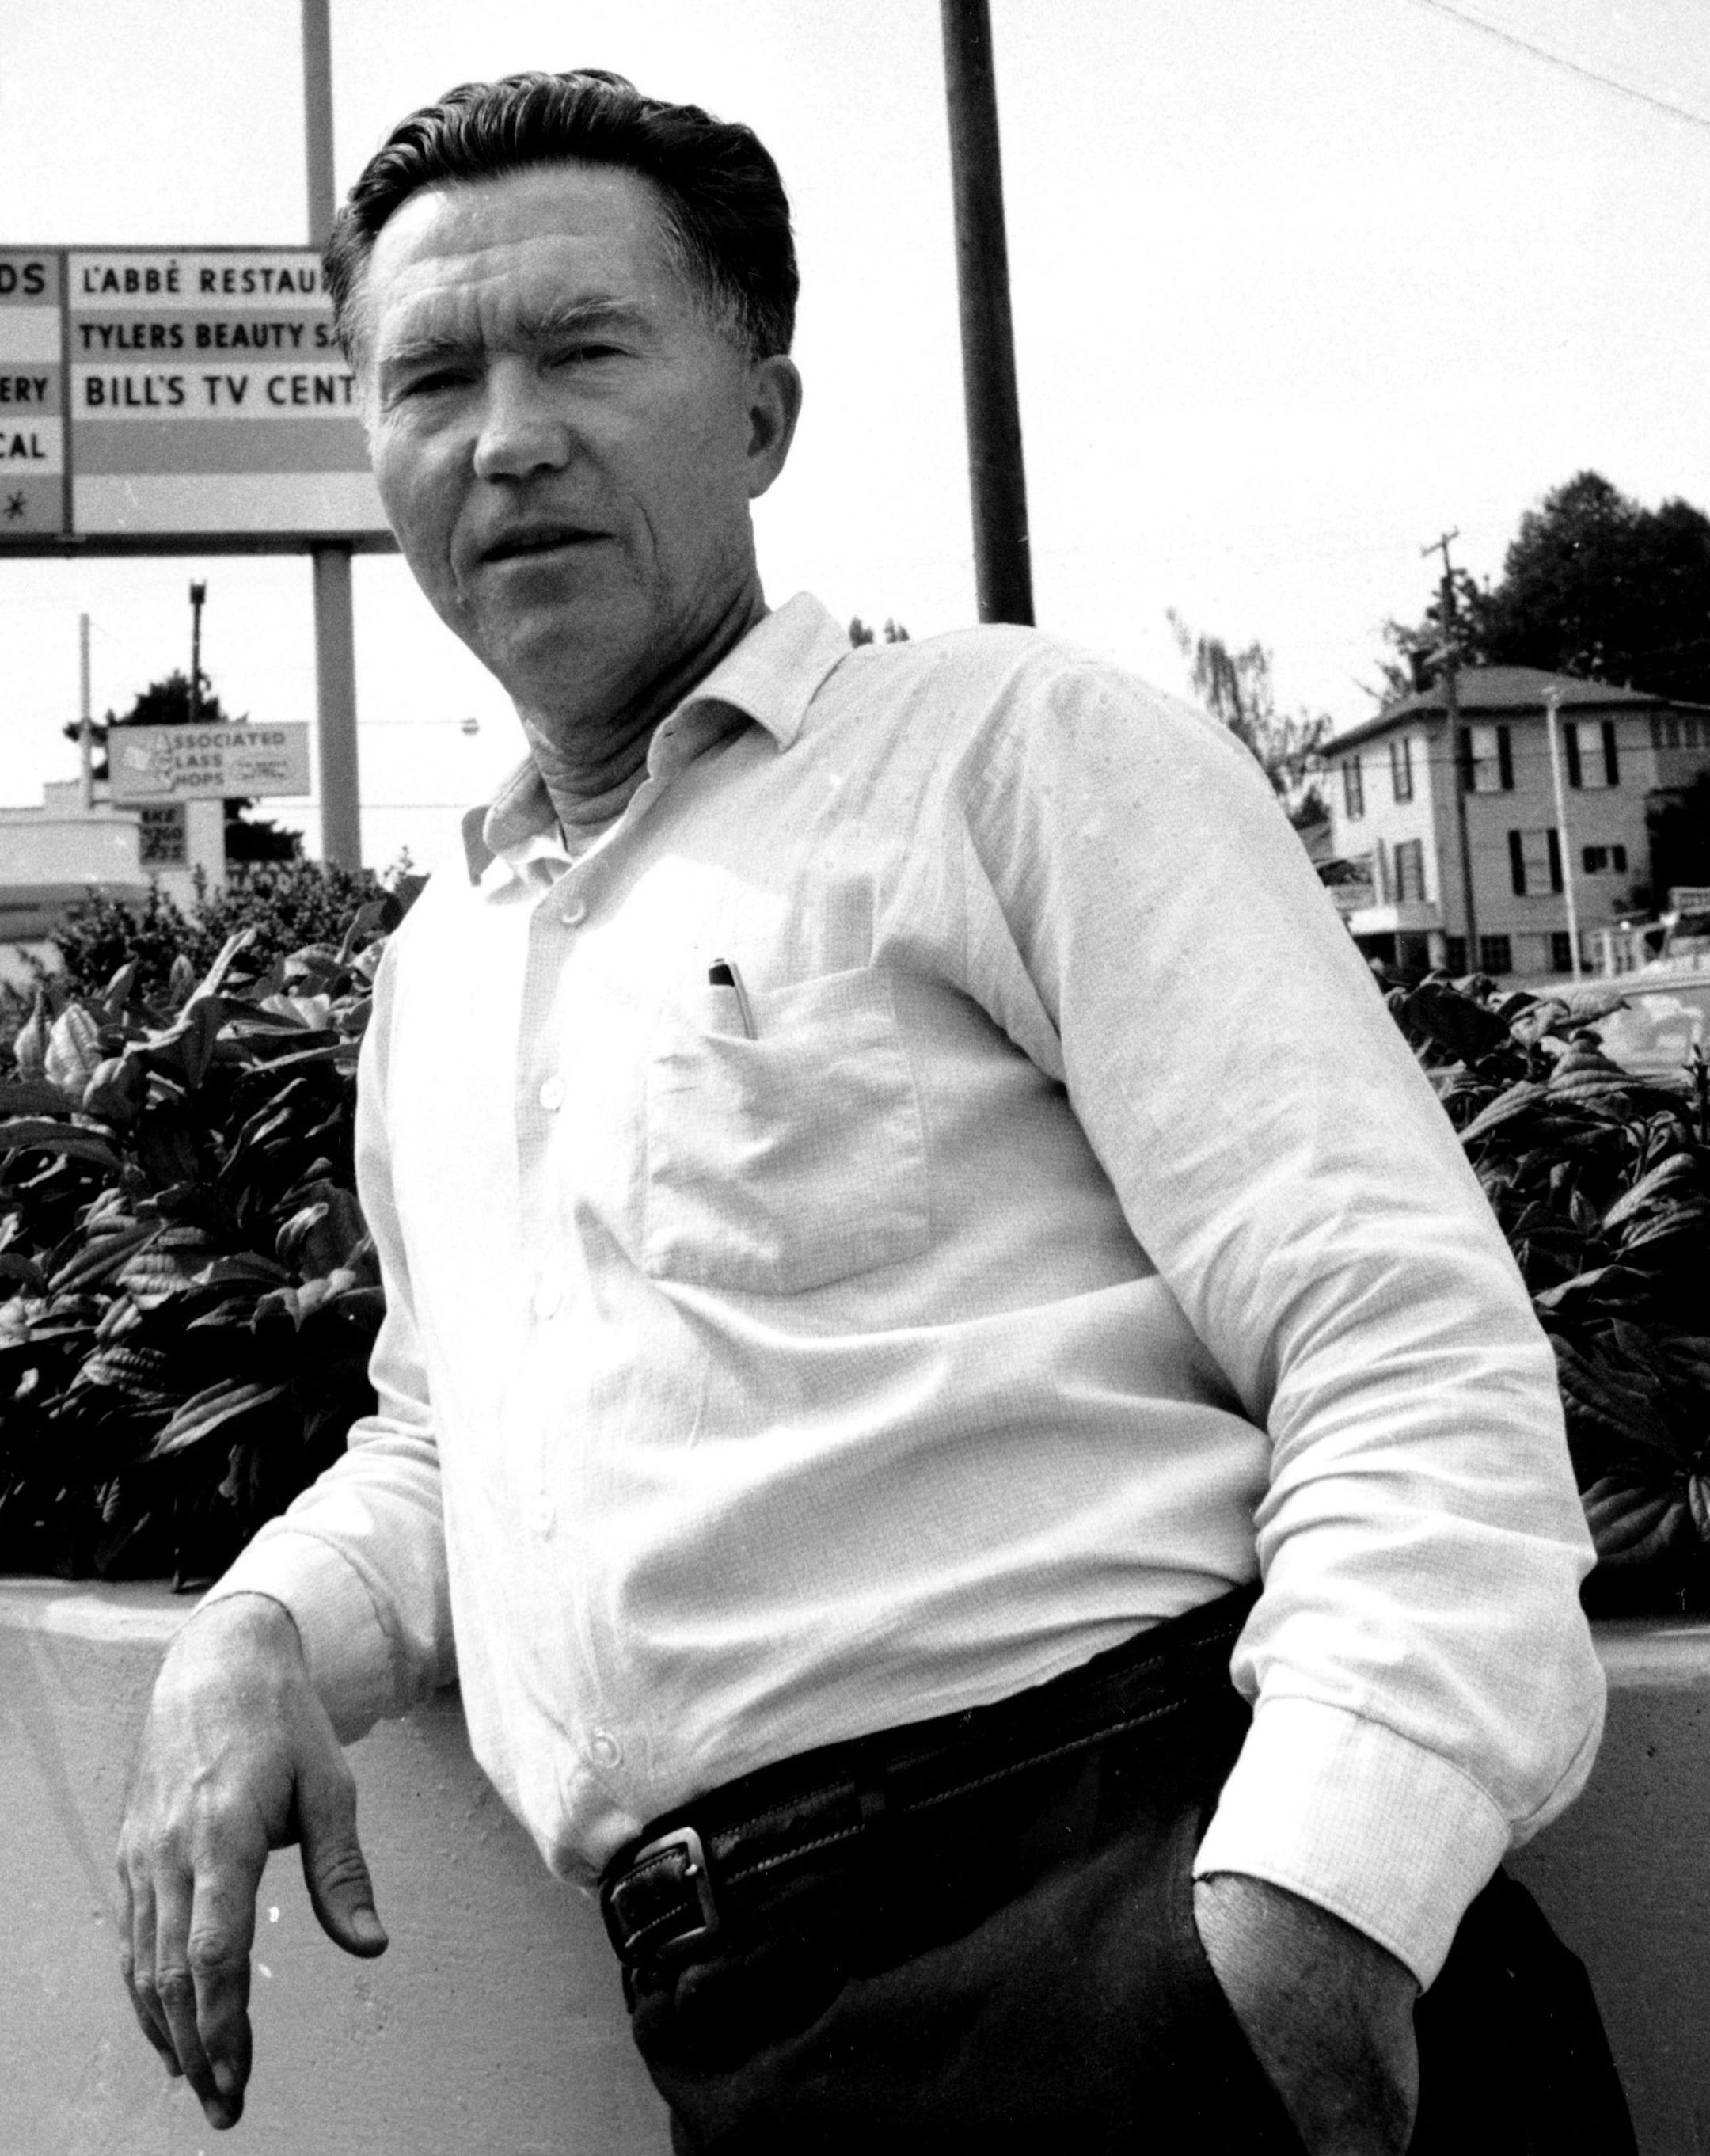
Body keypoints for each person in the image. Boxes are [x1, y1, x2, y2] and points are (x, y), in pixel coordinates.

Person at [116, 70, 1632, 2154]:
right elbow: (468, 1441)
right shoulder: (439, 971)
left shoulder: (1008, 754)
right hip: (746, 2040)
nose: (508, 434)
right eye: (432, 375)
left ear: (763, 412)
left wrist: (1314, 1901)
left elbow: (1395, 1321)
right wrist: (258, 1624)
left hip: (1132, 1894)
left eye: (583, 347)